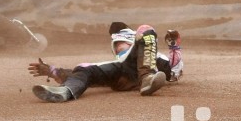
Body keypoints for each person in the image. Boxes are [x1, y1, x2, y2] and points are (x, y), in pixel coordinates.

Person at [29, 23, 183, 103]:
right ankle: (65, 91)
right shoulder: (119, 64)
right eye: (116, 46)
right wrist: (53, 71)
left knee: (146, 29)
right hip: (123, 72)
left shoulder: (158, 58)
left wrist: (174, 45)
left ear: (133, 41)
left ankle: (147, 78)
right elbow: (83, 74)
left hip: (147, 71)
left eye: (122, 43)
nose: (119, 48)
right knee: (84, 68)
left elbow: (174, 71)